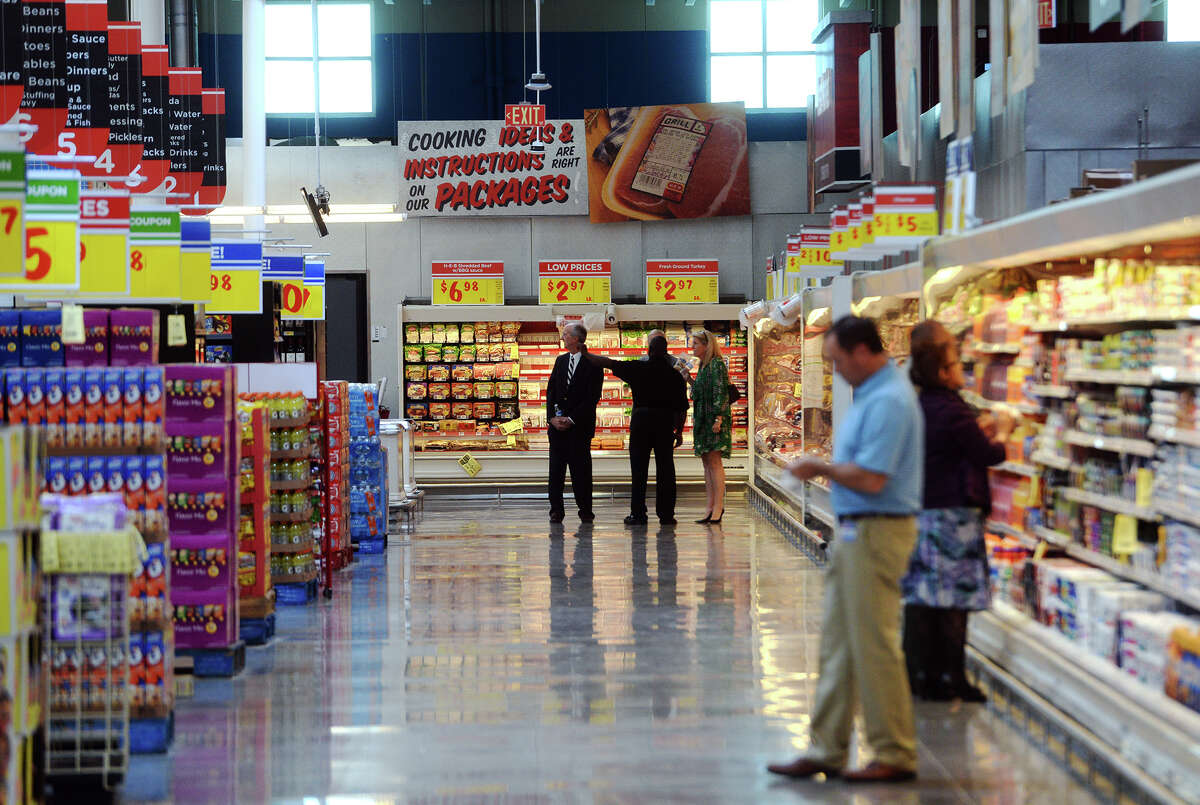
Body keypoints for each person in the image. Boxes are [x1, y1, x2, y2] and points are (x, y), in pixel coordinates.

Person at [767, 315, 924, 784]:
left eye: (837, 361)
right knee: (838, 645)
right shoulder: (873, 395)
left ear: (861, 352)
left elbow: (873, 477)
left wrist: (819, 467)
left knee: (875, 645)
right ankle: (826, 748)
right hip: (856, 532)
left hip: (878, 532)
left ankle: (894, 752)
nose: (835, 371)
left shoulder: (890, 400)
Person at [902, 321, 1013, 703]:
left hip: (926, 511)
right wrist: (1004, 430)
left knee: (926, 599)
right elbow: (987, 454)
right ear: (943, 370)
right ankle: (953, 677)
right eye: (955, 360)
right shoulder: (951, 408)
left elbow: (950, 445)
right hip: (954, 517)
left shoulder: (922, 404)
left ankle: (923, 675)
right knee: (954, 602)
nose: (962, 367)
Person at [581, 334, 688, 526]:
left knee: (639, 470)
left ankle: (638, 514)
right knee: (666, 470)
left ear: (648, 351)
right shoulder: (675, 376)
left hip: (641, 423)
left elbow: (608, 362)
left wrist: (585, 353)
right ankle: (666, 515)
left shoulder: (638, 368)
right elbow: (681, 409)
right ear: (666, 353)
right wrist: (678, 432)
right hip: (664, 424)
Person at [545, 323, 603, 524]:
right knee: (556, 472)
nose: (562, 337)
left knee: (581, 472)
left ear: (576, 339)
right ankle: (556, 511)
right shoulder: (561, 361)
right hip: (557, 430)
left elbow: (592, 397)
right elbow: (551, 391)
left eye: (566, 334)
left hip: (580, 428)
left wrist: (571, 419)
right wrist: (551, 418)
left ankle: (585, 510)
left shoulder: (593, 363)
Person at [689, 330, 732, 524]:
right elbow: (698, 393)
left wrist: (719, 418)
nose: (692, 347)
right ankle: (709, 505)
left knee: (714, 462)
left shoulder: (716, 364)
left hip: (714, 419)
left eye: (696, 344)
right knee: (706, 463)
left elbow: (720, 391)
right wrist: (688, 379)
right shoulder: (703, 366)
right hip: (703, 419)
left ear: (707, 345)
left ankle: (718, 506)